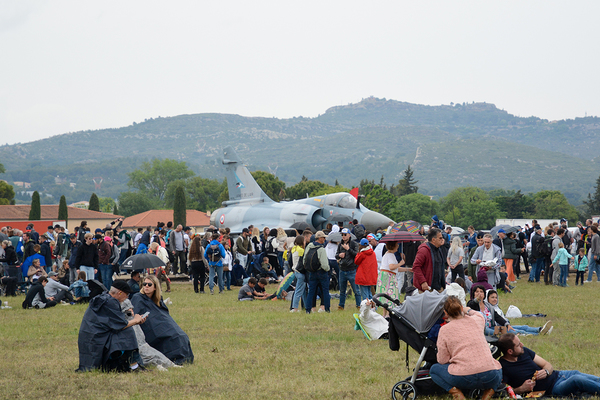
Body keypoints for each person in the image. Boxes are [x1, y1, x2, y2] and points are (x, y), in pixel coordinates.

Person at [429, 296, 502, 400]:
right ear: (461, 308)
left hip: (462, 377)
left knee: (434, 370)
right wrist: (469, 310)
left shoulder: (444, 330)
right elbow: (479, 315)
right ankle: (487, 395)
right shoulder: (477, 321)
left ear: (445, 313)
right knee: (497, 366)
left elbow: (442, 360)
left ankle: (457, 395)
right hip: (490, 376)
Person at [498, 333, 600, 396]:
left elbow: (547, 364)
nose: (522, 345)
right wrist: (521, 389)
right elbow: (502, 392)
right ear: (510, 351)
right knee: (577, 380)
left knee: (585, 376)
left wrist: (546, 371)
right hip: (554, 387)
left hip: (559, 375)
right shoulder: (503, 367)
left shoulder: (524, 352)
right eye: (518, 345)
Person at [77, 280, 146, 372]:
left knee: (125, 330)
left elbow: (113, 323)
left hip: (90, 338)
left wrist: (135, 322)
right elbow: (120, 325)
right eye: (127, 295)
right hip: (96, 340)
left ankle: (129, 364)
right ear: (120, 293)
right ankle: (134, 366)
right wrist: (135, 320)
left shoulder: (103, 297)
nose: (127, 298)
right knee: (127, 332)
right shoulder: (111, 302)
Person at [131, 275, 194, 364]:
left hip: (162, 323)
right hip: (149, 327)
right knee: (171, 338)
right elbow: (134, 315)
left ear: (155, 287)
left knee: (181, 336)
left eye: (149, 284)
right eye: (144, 284)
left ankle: (185, 358)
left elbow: (164, 314)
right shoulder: (138, 297)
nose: (146, 286)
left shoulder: (158, 300)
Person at [486, 290, 552, 336]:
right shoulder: (487, 309)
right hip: (495, 328)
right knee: (516, 331)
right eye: (492, 297)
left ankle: (540, 329)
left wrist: (507, 324)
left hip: (504, 326)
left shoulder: (496, 307)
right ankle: (539, 334)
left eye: (496, 297)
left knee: (524, 327)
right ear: (487, 298)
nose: (495, 299)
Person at [376, 241, 407, 315]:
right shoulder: (390, 255)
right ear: (393, 246)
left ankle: (385, 314)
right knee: (390, 296)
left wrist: (408, 269)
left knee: (385, 297)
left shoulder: (387, 254)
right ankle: (388, 315)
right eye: (396, 245)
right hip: (388, 277)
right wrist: (400, 263)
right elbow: (392, 267)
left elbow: (395, 268)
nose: (398, 246)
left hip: (385, 276)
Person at [413, 227, 446, 292]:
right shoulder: (424, 250)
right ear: (433, 240)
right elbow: (416, 267)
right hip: (427, 288)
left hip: (439, 287)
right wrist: (423, 282)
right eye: (440, 238)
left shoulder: (439, 249)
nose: (442, 240)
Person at [305, 231, 331, 314]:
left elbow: (305, 259)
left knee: (311, 291)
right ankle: (327, 309)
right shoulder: (321, 249)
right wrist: (327, 269)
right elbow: (325, 264)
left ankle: (308, 309)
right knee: (325, 291)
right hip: (321, 272)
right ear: (319, 238)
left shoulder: (309, 246)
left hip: (311, 272)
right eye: (323, 237)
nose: (324, 239)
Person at [336, 228, 361, 311]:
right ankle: (341, 306)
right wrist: (339, 255)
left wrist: (348, 249)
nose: (343, 236)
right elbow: (336, 255)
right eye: (342, 234)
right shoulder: (340, 244)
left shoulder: (354, 244)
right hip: (342, 269)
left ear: (349, 235)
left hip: (351, 270)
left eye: (345, 234)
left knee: (356, 290)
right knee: (342, 290)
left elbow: (357, 255)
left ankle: (359, 305)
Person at [290, 236, 307, 312]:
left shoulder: (294, 249)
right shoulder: (301, 250)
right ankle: (295, 308)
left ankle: (306, 306)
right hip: (301, 272)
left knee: (302, 291)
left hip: (295, 271)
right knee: (299, 291)